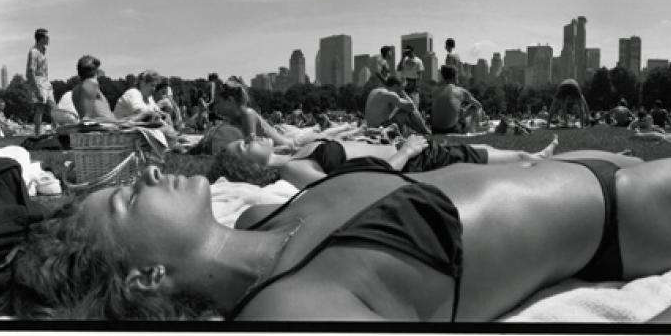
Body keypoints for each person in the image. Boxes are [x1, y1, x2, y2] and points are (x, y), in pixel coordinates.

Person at [10, 141, 671, 321]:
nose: (141, 171)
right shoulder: (293, 315)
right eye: (122, 203)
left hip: (577, 168)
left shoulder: (254, 214)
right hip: (626, 216)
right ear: (146, 277)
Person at [227, 134, 560, 189]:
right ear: (251, 167)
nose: (251, 137)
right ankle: (540, 163)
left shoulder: (294, 152)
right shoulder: (290, 168)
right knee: (504, 157)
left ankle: (535, 161)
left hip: (410, 152)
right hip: (416, 162)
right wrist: (406, 154)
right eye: (244, 145)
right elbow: (350, 184)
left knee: (485, 150)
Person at [364, 76, 431, 136]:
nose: (398, 93)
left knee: (401, 108)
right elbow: (411, 106)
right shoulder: (390, 94)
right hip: (380, 127)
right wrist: (402, 92)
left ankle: (422, 132)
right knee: (406, 111)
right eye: (399, 89)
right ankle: (425, 132)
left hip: (370, 126)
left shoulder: (374, 91)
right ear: (395, 86)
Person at [431, 65, 484, 134]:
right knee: (474, 108)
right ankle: (471, 133)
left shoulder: (435, 91)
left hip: (435, 130)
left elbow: (445, 107)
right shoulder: (461, 91)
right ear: (454, 77)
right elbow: (479, 105)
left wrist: (461, 110)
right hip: (452, 130)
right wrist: (466, 110)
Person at [26, 28, 55, 136]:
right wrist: (36, 89)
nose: (49, 39)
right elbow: (30, 71)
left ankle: (55, 132)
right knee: (40, 109)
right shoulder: (33, 52)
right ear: (41, 38)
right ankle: (37, 134)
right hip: (39, 82)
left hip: (46, 82)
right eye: (47, 37)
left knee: (53, 108)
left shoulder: (43, 51)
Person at [71, 55, 116, 122]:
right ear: (95, 71)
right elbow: (87, 118)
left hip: (99, 127)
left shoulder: (77, 89)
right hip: (103, 129)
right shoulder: (89, 85)